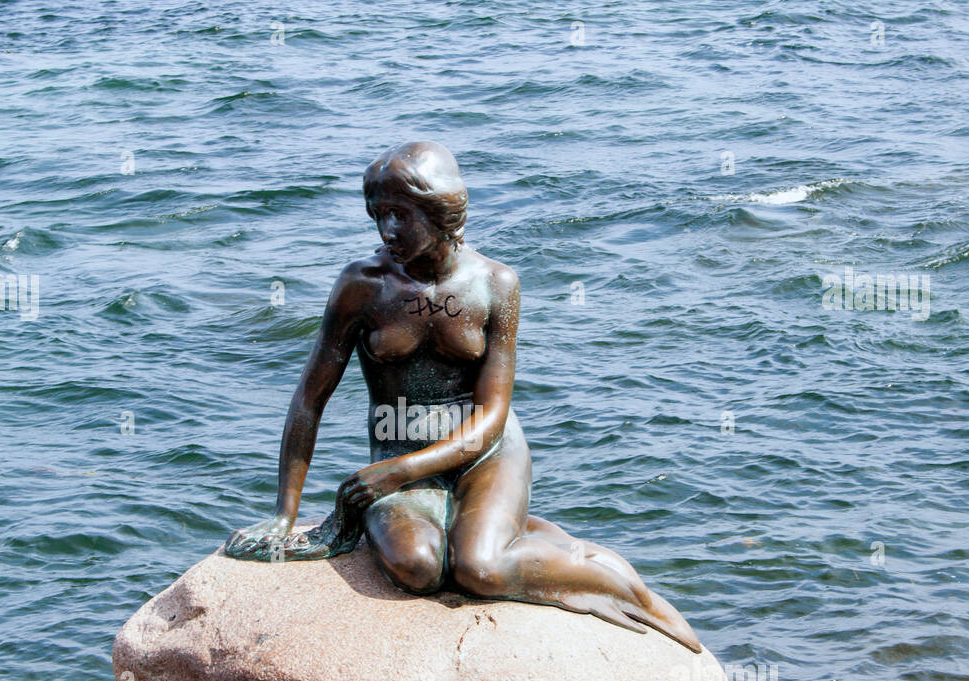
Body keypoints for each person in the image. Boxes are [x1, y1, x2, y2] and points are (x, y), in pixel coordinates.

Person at [225, 141, 699, 652]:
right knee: (418, 568)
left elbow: (493, 415)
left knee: (480, 569)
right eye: (378, 216)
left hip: (487, 452)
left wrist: (396, 475)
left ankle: (620, 586)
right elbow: (308, 401)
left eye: (400, 215)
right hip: (399, 445)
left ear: (441, 210)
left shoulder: (496, 284)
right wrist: (284, 513)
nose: (387, 231)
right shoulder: (362, 286)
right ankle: (507, 526)